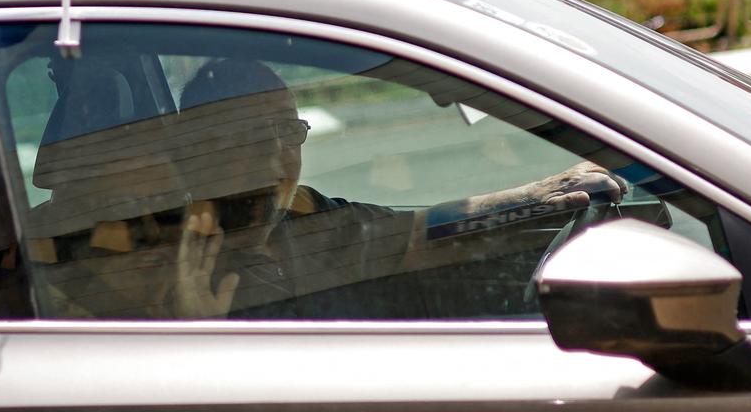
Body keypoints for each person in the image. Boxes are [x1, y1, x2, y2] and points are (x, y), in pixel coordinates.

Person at [172, 58, 627, 318]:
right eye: (251, 137)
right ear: (201, 151)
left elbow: (412, 233)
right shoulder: (153, 254)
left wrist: (536, 197)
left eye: (288, 133)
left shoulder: (305, 213)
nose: (277, 156)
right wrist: (195, 330)